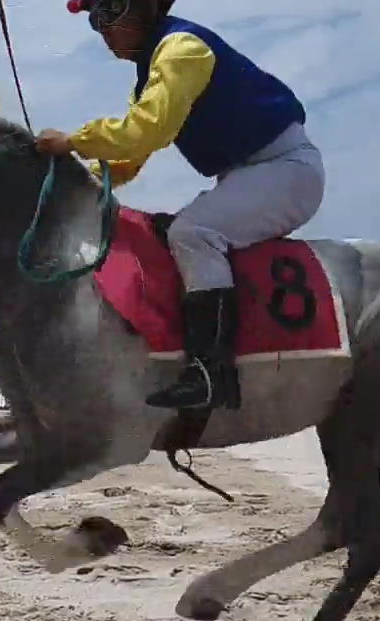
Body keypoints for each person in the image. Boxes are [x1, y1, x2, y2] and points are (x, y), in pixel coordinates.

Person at [38, 0, 325, 410]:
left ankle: (213, 375)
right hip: (249, 174)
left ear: (143, 9)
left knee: (192, 232)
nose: (102, 31)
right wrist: (76, 179)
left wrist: (71, 141)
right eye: (94, 21)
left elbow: (145, 131)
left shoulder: (181, 49)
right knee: (168, 232)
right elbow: (128, 160)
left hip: (284, 170)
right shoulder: (149, 74)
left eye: (109, 14)